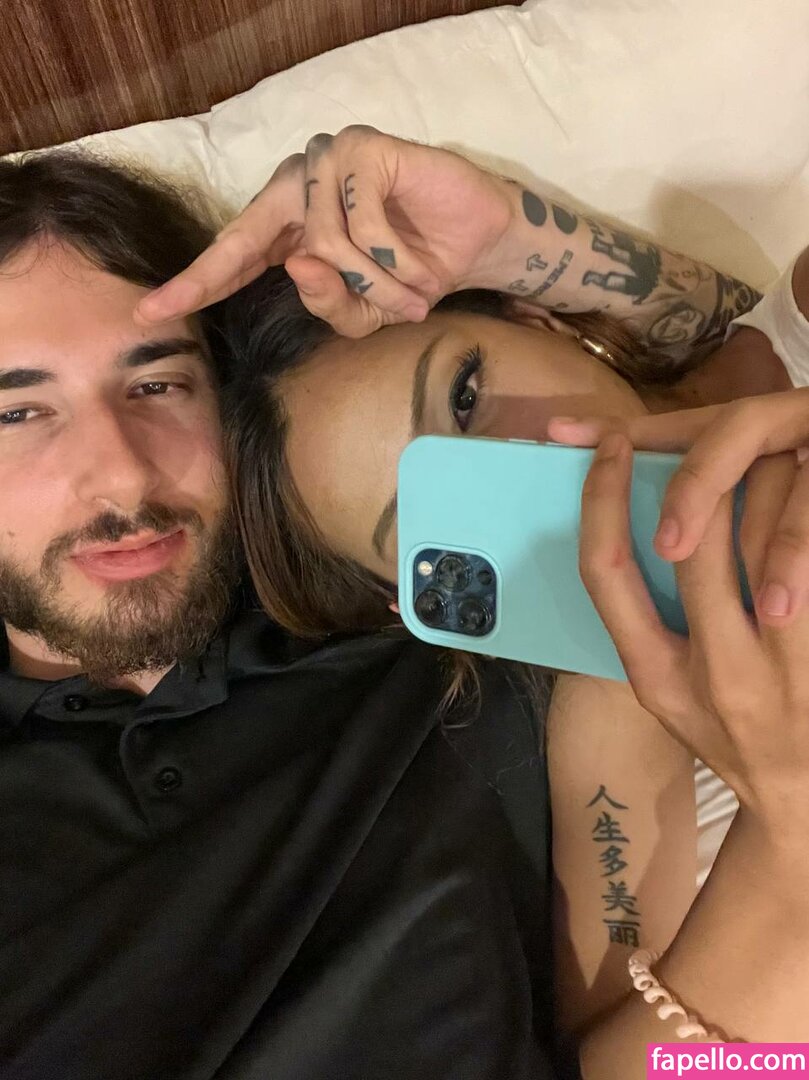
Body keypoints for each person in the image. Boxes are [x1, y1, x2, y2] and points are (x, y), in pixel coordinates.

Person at [138, 127, 809, 1063]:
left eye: (464, 394)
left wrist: (509, 237)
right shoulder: (620, 706)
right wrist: (791, 835)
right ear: (417, 606)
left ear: (533, 319)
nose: (521, 466)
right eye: (441, 520)